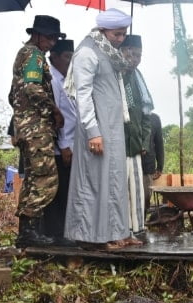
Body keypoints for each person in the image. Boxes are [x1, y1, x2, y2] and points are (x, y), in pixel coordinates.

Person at [64, 8, 133, 250]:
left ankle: (116, 231)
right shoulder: (87, 52)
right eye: (117, 34)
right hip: (97, 129)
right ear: (103, 30)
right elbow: (82, 95)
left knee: (113, 179)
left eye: (124, 34)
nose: (121, 38)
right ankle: (90, 237)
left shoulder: (108, 52)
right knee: (93, 182)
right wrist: (93, 132)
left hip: (113, 127)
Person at [10, 15, 65, 248]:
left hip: (28, 126)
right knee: (46, 179)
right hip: (35, 127)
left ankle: (28, 233)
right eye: (50, 38)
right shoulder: (33, 55)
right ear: (38, 34)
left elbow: (14, 95)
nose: (52, 43)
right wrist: (53, 110)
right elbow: (31, 87)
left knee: (33, 179)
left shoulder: (26, 54)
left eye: (55, 39)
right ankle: (29, 232)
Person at [42, 39, 77, 246]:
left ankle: (65, 232)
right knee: (58, 190)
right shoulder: (52, 80)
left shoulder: (67, 79)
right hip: (60, 145)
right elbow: (58, 116)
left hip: (72, 143)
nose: (70, 62)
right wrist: (63, 145)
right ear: (53, 56)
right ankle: (56, 234)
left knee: (67, 190)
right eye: (66, 57)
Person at [119, 34, 154, 238]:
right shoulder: (116, 75)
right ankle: (122, 230)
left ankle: (138, 229)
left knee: (138, 191)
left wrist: (144, 140)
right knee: (120, 191)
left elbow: (146, 115)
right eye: (131, 54)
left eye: (139, 55)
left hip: (135, 145)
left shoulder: (138, 77)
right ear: (122, 53)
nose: (135, 59)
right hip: (118, 144)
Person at [142, 112, 164, 215]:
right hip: (128, 163)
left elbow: (159, 143)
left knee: (146, 196)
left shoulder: (154, 118)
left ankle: (141, 223)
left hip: (147, 165)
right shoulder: (127, 114)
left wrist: (160, 166)